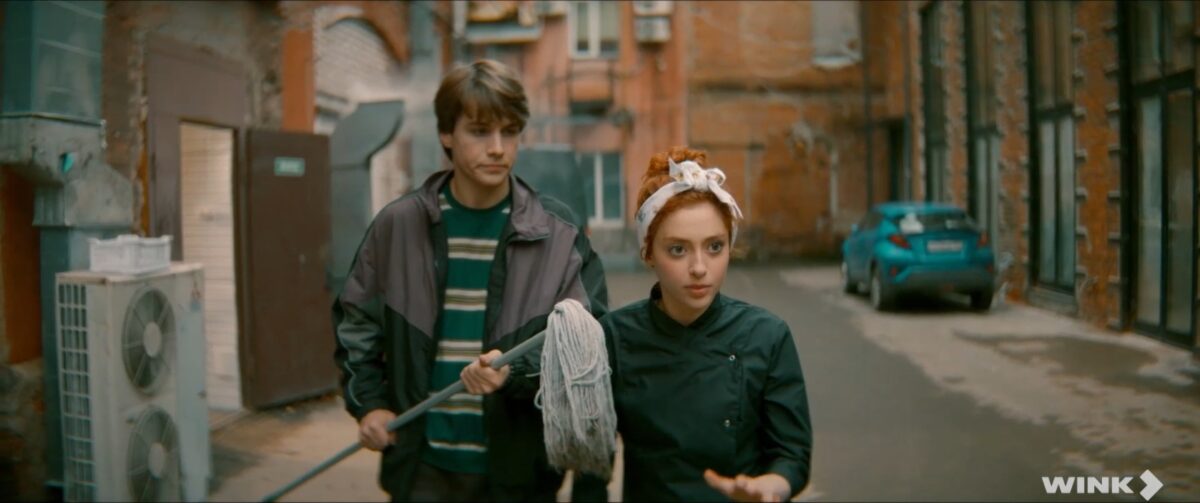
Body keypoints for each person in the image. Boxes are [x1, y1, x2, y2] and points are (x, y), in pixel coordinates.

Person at [332, 59, 609, 502]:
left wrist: (514, 372)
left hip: (520, 473)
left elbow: (589, 347)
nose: (498, 148)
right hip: (422, 469)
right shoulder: (398, 226)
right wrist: (370, 404)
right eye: (480, 131)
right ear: (447, 134)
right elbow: (356, 325)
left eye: (509, 132)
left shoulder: (558, 233)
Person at [597, 146, 812, 501]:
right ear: (648, 253)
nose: (699, 268)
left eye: (714, 247)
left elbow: (792, 455)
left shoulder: (767, 335)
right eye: (678, 249)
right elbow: (592, 460)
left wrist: (772, 485)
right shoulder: (614, 337)